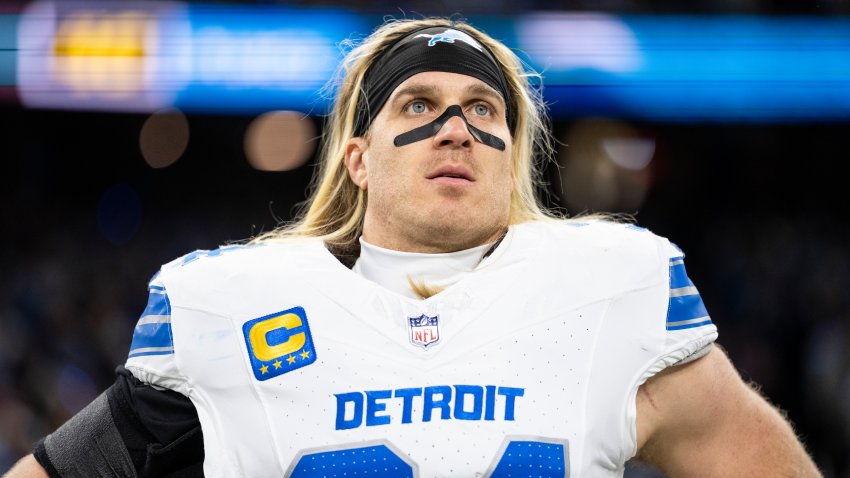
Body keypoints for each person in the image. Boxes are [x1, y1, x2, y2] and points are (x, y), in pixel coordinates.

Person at [6, 17, 820, 478]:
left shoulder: (613, 287)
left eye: (483, 111)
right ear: (357, 158)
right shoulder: (229, 305)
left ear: (513, 160)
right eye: (418, 105)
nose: (457, 127)